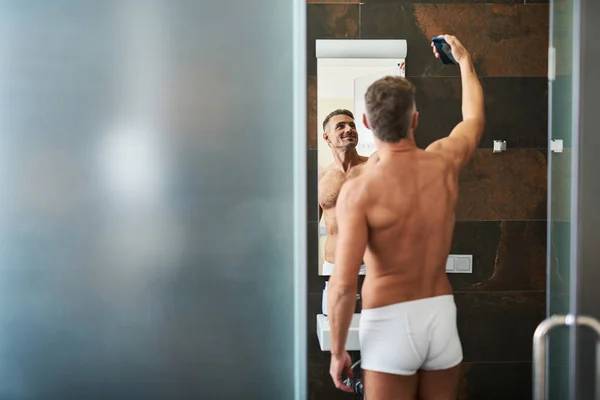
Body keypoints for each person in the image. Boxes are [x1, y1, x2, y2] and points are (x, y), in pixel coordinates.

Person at [327, 35, 484, 400]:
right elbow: (474, 118)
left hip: (389, 319)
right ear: (415, 119)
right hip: (440, 316)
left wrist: (338, 351)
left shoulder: (360, 191)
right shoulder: (443, 163)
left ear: (365, 122)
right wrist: (463, 60)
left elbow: (343, 284)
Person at [318, 109, 376, 276]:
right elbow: (308, 227)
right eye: (340, 126)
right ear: (326, 137)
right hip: (333, 266)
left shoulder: (373, 166)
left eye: (352, 125)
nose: (349, 129)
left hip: (370, 266)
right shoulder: (321, 179)